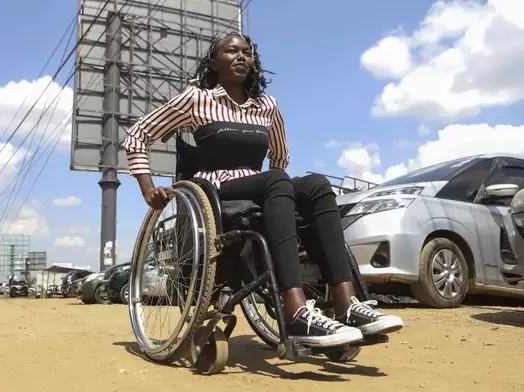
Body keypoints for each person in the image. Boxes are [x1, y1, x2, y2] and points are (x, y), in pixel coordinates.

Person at [123, 32, 404, 348]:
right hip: (215, 192)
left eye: (247, 52)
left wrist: (281, 195)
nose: (241, 56)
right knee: (276, 181)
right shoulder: (196, 99)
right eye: (231, 51)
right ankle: (295, 309)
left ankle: (347, 303)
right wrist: (148, 189)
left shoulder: (267, 106)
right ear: (214, 63)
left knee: (317, 185)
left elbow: (280, 156)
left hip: (262, 186)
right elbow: (137, 136)